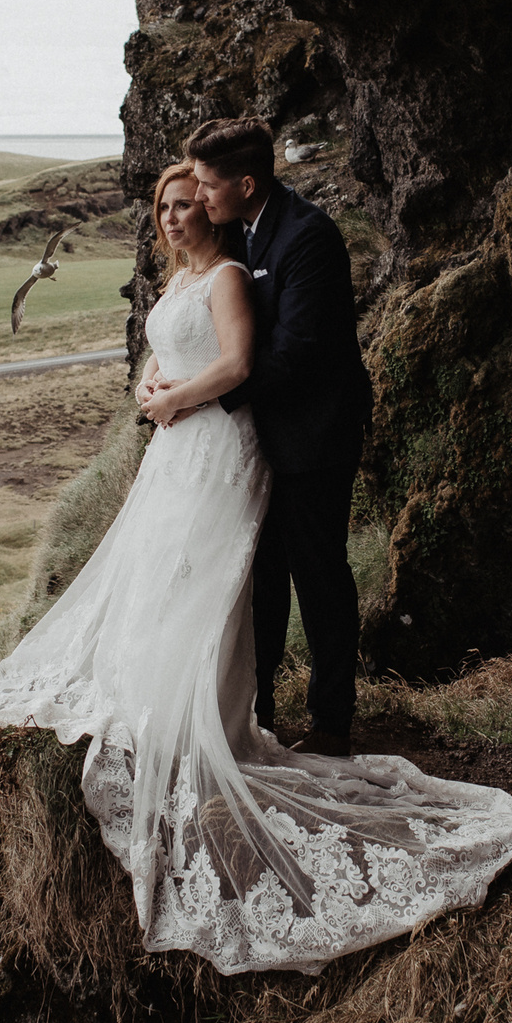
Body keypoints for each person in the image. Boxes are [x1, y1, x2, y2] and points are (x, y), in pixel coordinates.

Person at [0, 158, 512, 975]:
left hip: (218, 445)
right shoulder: (180, 278)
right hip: (175, 447)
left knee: (210, 579)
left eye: (190, 204)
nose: (176, 216)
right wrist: (151, 391)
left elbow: (234, 364)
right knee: (163, 577)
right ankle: (174, 699)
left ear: (220, 209)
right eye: (165, 204)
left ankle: (234, 721)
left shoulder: (233, 273)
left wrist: (176, 398)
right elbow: (165, 362)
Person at [177, 117, 373, 756]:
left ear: (248, 183)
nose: (200, 197)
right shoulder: (243, 229)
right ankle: (253, 715)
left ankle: (331, 722)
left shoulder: (307, 238)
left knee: (318, 575)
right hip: (259, 444)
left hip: (314, 438)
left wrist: (205, 397)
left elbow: (295, 355)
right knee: (257, 581)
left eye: (208, 185)